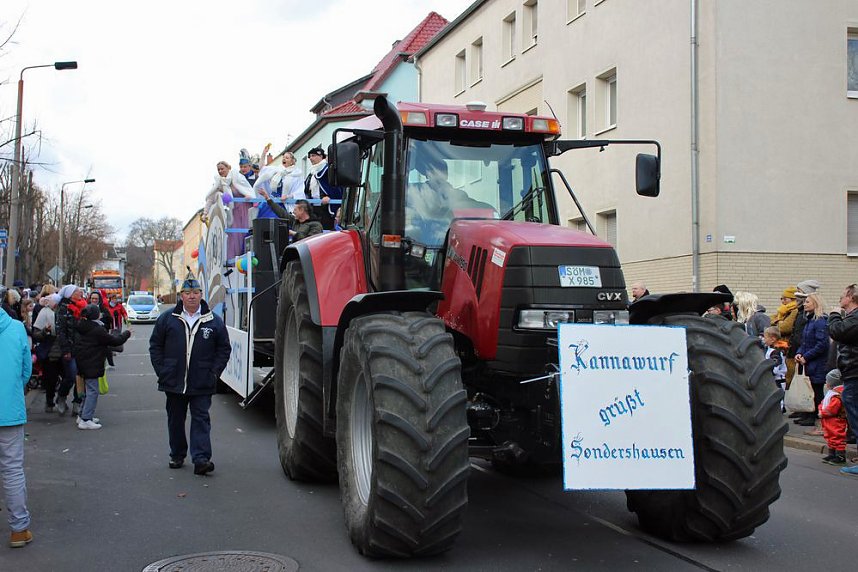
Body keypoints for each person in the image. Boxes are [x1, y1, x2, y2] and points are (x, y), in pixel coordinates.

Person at [149, 276, 231, 474]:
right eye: (187, 293)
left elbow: (223, 349)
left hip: (202, 380)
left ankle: (201, 458)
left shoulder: (214, 321)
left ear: (201, 295)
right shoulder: (168, 318)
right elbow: (155, 346)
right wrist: (163, 370)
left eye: (195, 293)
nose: (192, 297)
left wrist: (214, 373)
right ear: (181, 296)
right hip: (174, 380)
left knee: (201, 418)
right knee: (175, 419)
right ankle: (177, 454)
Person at [0, 301, 33, 547]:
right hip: (9, 409)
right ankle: (19, 530)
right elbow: (25, 370)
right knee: (12, 470)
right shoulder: (15, 328)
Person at [73, 304, 131, 430]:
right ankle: (86, 419)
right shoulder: (97, 329)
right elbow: (115, 341)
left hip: (83, 361)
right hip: (92, 362)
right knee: (93, 391)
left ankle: (82, 415)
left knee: (87, 391)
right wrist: (127, 333)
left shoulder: (81, 326)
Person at [827, 283, 858, 476]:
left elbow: (836, 331)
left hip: (855, 373)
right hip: (852, 372)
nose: (840, 299)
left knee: (855, 415)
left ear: (851, 297)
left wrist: (834, 314)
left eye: (842, 296)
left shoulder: (854, 319)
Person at [795, 292, 830, 427]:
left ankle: (814, 415)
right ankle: (807, 414)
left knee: (816, 390)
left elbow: (822, 344)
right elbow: (804, 342)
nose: (804, 304)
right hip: (808, 361)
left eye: (807, 302)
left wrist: (806, 356)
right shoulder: (809, 321)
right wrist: (799, 353)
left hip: (817, 363)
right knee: (809, 389)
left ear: (815, 303)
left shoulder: (819, 321)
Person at [55, 285, 87, 416]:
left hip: (83, 347)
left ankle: (77, 402)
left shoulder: (84, 307)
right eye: (77, 291)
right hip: (69, 348)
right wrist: (66, 349)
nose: (80, 292)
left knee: (81, 376)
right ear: (70, 295)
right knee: (71, 376)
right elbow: (60, 331)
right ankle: (61, 397)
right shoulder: (63, 309)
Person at [32, 293, 63, 413]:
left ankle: (61, 397)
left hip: (64, 349)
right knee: (51, 378)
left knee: (68, 376)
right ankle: (49, 401)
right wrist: (45, 331)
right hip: (50, 351)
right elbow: (36, 334)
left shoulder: (63, 312)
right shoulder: (44, 313)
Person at [257, 192, 323, 242]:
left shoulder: (315, 225)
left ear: (302, 210)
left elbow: (311, 242)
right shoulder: (295, 221)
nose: (293, 212)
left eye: (295, 210)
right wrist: (268, 199)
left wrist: (294, 234)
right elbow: (282, 213)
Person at [255, 152, 304, 219]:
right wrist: (264, 153)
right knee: (265, 220)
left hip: (284, 203)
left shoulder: (296, 174)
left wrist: (288, 196)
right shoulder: (276, 170)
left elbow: (299, 190)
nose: (284, 159)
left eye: (287, 158)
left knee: (279, 222)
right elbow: (261, 168)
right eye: (283, 157)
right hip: (272, 201)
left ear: (292, 161)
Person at [304, 146, 342, 230]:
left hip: (325, 207)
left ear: (321, 156)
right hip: (313, 207)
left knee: (326, 230)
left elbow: (335, 188)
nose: (310, 158)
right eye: (310, 156)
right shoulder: (312, 172)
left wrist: (330, 197)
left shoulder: (328, 170)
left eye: (313, 156)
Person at [772, 287, 800, 387]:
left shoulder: (794, 311)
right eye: (782, 298)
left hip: (789, 347)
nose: (783, 301)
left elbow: (784, 327)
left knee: (788, 374)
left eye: (785, 298)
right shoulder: (784, 310)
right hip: (782, 346)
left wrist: (777, 322)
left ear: (792, 299)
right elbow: (772, 320)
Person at [818, 370, 847, 465]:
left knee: (837, 436)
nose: (826, 382)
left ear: (831, 383)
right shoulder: (831, 393)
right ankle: (832, 454)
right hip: (828, 420)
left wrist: (822, 413)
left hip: (836, 420)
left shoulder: (836, 396)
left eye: (827, 381)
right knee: (830, 437)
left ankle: (840, 456)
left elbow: (832, 409)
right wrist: (820, 409)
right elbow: (823, 403)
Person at [763, 326, 788, 407]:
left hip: (778, 379)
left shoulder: (776, 352)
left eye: (765, 337)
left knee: (778, 397)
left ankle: (779, 411)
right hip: (773, 378)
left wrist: (767, 371)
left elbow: (775, 368)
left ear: (772, 339)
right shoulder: (769, 349)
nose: (764, 339)